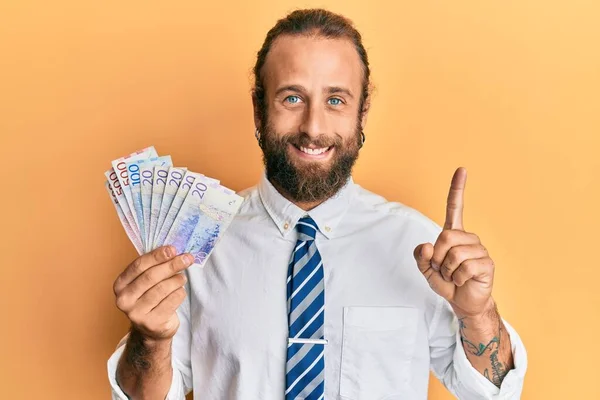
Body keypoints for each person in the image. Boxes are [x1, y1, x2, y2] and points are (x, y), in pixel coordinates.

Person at [107, 8, 527, 400]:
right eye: (292, 98)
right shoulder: (191, 245)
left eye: (335, 100)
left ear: (361, 113)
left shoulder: (422, 247)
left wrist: (478, 315)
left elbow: (490, 393)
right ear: (258, 110)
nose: (313, 127)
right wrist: (150, 339)